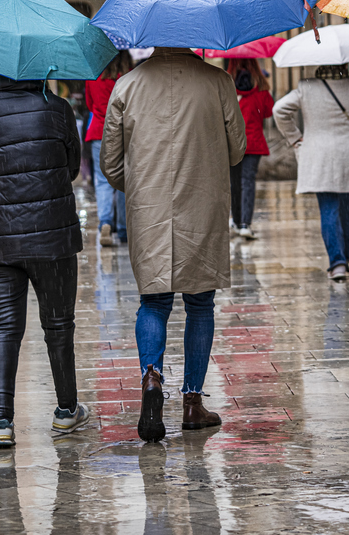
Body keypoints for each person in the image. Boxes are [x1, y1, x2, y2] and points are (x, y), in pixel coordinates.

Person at [100, 48, 246, 443]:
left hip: (148, 208)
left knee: (154, 302)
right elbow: (237, 150)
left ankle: (152, 378)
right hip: (202, 204)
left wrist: (143, 187)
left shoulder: (126, 85)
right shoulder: (218, 81)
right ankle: (192, 403)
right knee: (200, 303)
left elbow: (110, 164)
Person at [0, 70, 88, 449]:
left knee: (5, 328)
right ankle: (65, 410)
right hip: (53, 238)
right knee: (58, 326)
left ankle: (1, 421)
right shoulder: (57, 109)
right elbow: (72, 167)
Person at [273, 64, 349, 282]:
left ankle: (337, 263)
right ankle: (347, 252)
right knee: (347, 208)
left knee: (328, 209)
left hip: (319, 157)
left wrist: (295, 138)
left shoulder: (305, 87)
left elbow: (279, 110)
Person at [84, 52, 133, 247]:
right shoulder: (128, 78)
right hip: (121, 132)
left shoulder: (94, 76)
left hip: (98, 132)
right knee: (122, 180)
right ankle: (123, 229)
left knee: (102, 180)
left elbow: (89, 104)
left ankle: (105, 222)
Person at [224, 58, 274, 240]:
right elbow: (268, 112)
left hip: (233, 143)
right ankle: (245, 223)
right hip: (254, 142)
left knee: (234, 183)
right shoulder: (261, 88)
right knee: (248, 182)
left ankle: (236, 220)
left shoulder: (227, 87)